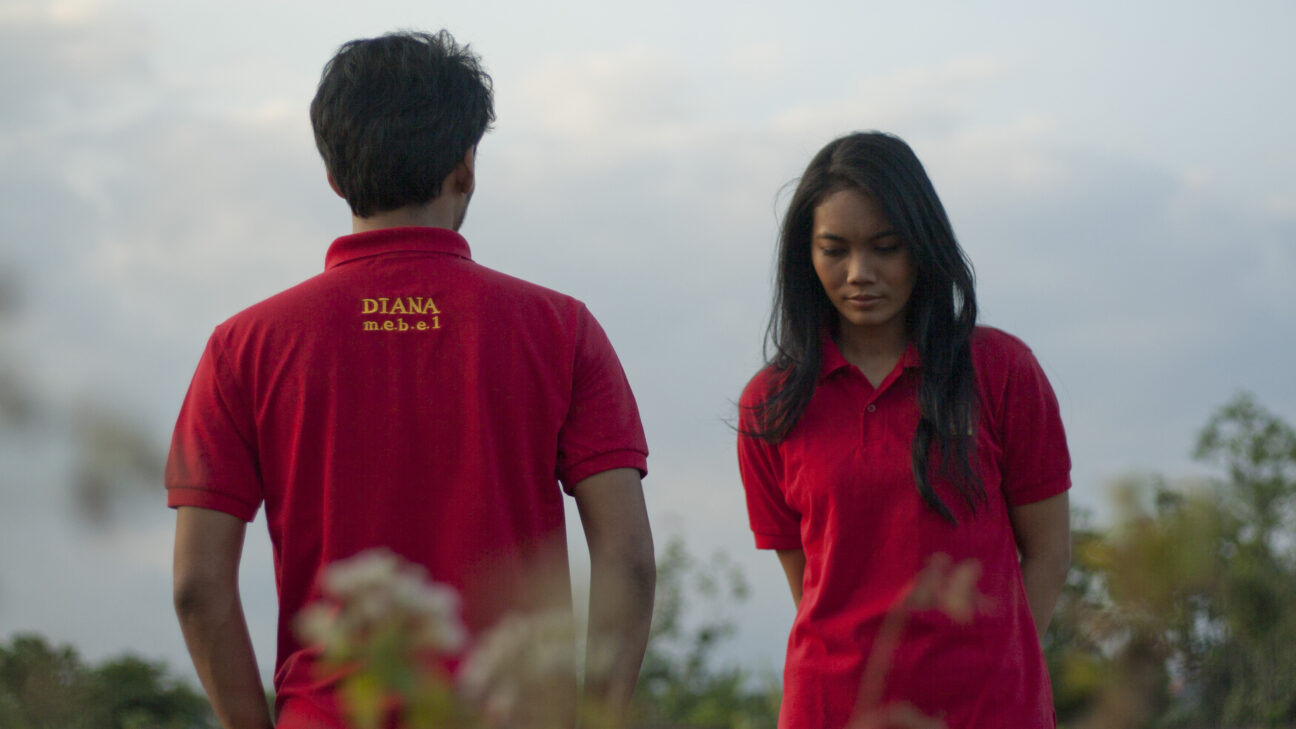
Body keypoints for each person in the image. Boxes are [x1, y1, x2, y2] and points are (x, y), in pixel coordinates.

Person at [166, 30, 655, 729]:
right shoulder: (562, 328)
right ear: (466, 166)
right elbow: (627, 558)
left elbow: (196, 586)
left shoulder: (242, 346)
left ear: (334, 175)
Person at [737, 131, 1071, 729]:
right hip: (832, 710)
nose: (859, 273)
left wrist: (1006, 667)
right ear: (805, 257)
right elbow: (811, 585)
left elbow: (1048, 551)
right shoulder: (772, 405)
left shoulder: (1001, 371)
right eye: (834, 250)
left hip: (990, 711)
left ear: (922, 244)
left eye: (886, 247)